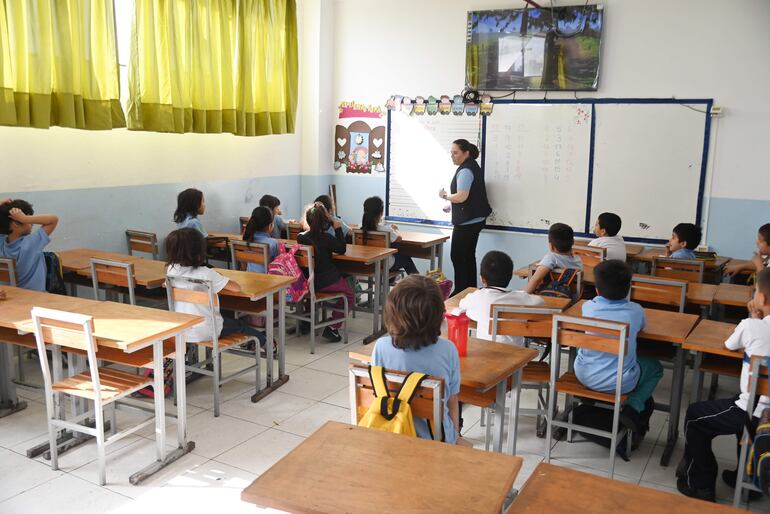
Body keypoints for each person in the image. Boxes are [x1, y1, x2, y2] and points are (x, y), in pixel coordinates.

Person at [677, 268, 770, 502]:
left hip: (755, 412)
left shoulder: (752, 326)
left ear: (762, 298)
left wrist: (753, 320)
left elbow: (729, 344)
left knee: (695, 417)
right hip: (764, 413)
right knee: (743, 420)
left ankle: (701, 484)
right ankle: (746, 479)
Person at [372, 275, 470, 446]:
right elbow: (452, 401)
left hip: (393, 434)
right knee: (468, 445)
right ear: (439, 316)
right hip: (435, 440)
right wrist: (454, 436)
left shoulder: (380, 347)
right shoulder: (447, 350)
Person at [574, 260, 662, 442]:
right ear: (629, 288)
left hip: (583, 375)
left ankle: (586, 398)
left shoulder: (587, 307)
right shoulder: (635, 311)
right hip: (620, 383)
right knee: (655, 367)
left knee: (584, 347)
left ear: (597, 290)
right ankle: (634, 406)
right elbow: (642, 328)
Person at [165, 228, 265, 346]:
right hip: (206, 330)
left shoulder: (171, 270)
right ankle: (266, 343)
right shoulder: (206, 273)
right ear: (199, 250)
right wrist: (219, 275)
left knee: (225, 318)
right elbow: (236, 288)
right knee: (240, 325)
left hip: (182, 329)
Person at [439, 139, 492, 295]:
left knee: (458, 256)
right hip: (475, 219)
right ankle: (469, 290)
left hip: (467, 223)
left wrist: (445, 196)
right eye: (451, 152)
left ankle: (461, 291)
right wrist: (451, 205)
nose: (452, 156)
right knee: (468, 256)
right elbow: (469, 196)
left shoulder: (465, 170)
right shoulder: (472, 167)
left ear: (466, 153)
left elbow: (462, 196)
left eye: (456, 153)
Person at [459, 250, 544, 344]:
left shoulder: (477, 298)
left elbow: (462, 304)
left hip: (485, 354)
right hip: (516, 356)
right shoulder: (521, 298)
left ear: (482, 279)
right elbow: (541, 302)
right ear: (510, 277)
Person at [297, 202, 353, 342]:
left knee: (312, 293)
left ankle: (307, 320)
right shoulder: (327, 238)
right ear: (325, 222)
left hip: (308, 283)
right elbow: (342, 248)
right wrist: (338, 229)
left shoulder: (301, 237)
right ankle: (333, 327)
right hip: (327, 281)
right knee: (350, 296)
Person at [0, 198, 58, 291]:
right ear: (16, 223)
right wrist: (24, 218)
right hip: (35, 298)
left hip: (11, 296)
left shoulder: (1, 243)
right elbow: (53, 219)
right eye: (28, 221)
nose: (32, 224)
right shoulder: (31, 243)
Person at [361, 196, 418, 275]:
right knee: (406, 258)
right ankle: (417, 282)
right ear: (381, 212)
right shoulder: (385, 230)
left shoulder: (360, 229)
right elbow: (399, 238)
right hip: (385, 264)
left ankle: (390, 280)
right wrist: (395, 229)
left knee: (395, 254)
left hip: (367, 263)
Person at [525, 222, 583, 294]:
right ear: (573, 242)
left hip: (552, 295)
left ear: (551, 246)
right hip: (572, 298)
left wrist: (524, 295)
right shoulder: (578, 260)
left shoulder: (551, 258)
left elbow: (536, 279)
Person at [242, 206, 279, 273]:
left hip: (248, 277)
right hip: (267, 280)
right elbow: (277, 265)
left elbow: (243, 265)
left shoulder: (246, 239)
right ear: (270, 225)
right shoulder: (273, 243)